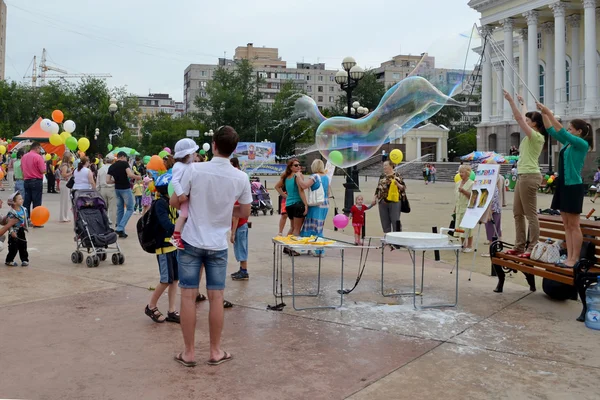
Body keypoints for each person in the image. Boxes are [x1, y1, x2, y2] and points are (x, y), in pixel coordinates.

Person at [175, 126, 251, 367]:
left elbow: (179, 201)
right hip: (218, 244)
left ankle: (188, 353)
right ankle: (215, 351)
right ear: (234, 149)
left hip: (192, 240)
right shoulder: (240, 177)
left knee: (188, 296)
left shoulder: (195, 169)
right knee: (216, 297)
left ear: (214, 145)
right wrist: (226, 209)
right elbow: (245, 211)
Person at [538, 102, 592, 268]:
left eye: (570, 128)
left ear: (578, 131)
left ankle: (574, 258)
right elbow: (551, 130)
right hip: (563, 185)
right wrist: (543, 114)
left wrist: (549, 112)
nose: (568, 131)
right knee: (566, 224)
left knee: (574, 225)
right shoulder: (569, 144)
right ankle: (569, 256)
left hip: (573, 186)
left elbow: (560, 130)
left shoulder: (582, 144)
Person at [503, 91, 545, 259]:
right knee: (517, 213)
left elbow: (520, 119)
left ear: (535, 124)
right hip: (523, 176)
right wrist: (523, 104)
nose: (525, 122)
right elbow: (523, 117)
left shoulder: (536, 137)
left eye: (529, 121)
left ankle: (532, 246)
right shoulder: (531, 135)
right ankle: (519, 246)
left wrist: (511, 101)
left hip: (530, 176)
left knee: (530, 214)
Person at [144, 173, 180, 324]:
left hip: (173, 246)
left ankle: (172, 310)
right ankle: (151, 306)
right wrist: (180, 230)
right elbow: (166, 224)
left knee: (175, 280)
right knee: (166, 280)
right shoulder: (160, 203)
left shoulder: (172, 202)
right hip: (164, 248)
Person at [169, 139, 198, 250]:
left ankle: (179, 235)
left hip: (187, 195)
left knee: (187, 215)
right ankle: (176, 235)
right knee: (184, 214)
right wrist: (180, 194)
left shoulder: (189, 165)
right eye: (193, 153)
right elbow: (175, 181)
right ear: (187, 155)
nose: (195, 155)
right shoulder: (179, 166)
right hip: (183, 196)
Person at [296, 159, 330, 256]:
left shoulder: (315, 176)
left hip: (316, 205)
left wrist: (298, 176)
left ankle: (313, 249)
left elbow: (304, 186)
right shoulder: (326, 177)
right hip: (325, 204)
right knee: (319, 226)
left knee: (311, 225)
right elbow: (328, 192)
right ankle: (317, 249)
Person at [107, 151, 142, 238]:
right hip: (125, 188)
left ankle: (121, 232)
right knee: (130, 208)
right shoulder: (125, 164)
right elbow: (130, 174)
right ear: (123, 157)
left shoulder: (112, 166)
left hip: (117, 189)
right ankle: (120, 227)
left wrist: (115, 181)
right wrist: (138, 177)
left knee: (120, 209)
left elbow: (107, 180)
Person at [274, 159, 307, 237]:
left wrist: (285, 196)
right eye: (296, 165)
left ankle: (286, 248)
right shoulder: (298, 176)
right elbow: (301, 191)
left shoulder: (286, 177)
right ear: (290, 167)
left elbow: (277, 187)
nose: (298, 166)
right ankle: (292, 247)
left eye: (299, 165)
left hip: (289, 205)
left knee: (292, 227)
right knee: (297, 229)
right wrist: (306, 204)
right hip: (298, 204)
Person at [230, 157, 250, 281]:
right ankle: (242, 269)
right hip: (242, 225)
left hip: (240, 226)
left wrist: (232, 233)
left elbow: (236, 216)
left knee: (241, 248)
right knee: (241, 247)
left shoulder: (236, 196)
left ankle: (244, 271)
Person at [372, 160, 405, 233]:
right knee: (384, 221)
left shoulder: (397, 175)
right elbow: (378, 188)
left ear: (391, 166)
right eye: (383, 165)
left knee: (395, 220)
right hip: (382, 201)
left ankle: (397, 238)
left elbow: (403, 187)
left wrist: (397, 184)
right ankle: (387, 238)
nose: (384, 167)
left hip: (394, 202)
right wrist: (374, 198)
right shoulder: (382, 176)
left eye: (386, 165)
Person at [21, 142, 46, 223]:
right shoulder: (38, 157)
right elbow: (43, 170)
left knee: (26, 201)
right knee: (37, 202)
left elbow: (22, 169)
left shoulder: (24, 156)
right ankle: (36, 221)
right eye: (39, 149)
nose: (40, 150)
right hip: (36, 181)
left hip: (26, 181)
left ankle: (26, 219)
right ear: (37, 148)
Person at [5, 192, 28, 267]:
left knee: (23, 245)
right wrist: (11, 232)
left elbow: (25, 219)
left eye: (22, 198)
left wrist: (27, 225)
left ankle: (24, 259)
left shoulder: (24, 209)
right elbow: (9, 224)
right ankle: (9, 260)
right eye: (20, 199)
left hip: (21, 230)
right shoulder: (11, 213)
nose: (22, 200)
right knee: (13, 247)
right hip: (14, 231)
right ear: (14, 202)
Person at [454, 164, 474, 252]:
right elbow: (457, 197)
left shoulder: (472, 183)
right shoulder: (458, 183)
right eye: (460, 172)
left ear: (467, 173)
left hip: (467, 208)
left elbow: (473, 196)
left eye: (462, 172)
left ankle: (469, 245)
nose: (461, 174)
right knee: (460, 227)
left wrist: (464, 191)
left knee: (468, 228)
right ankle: (463, 244)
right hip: (459, 207)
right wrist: (455, 207)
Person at [97, 155, 116, 228]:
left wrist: (97, 190)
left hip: (102, 189)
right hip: (112, 189)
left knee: (103, 207)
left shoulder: (101, 169)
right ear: (112, 161)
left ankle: (103, 222)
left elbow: (97, 181)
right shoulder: (114, 168)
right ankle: (111, 224)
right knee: (112, 208)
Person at [58, 153, 74, 222]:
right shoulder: (65, 165)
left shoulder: (66, 165)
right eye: (70, 157)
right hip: (64, 183)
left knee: (66, 200)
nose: (71, 158)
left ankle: (65, 215)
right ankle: (63, 216)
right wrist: (71, 173)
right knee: (64, 200)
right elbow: (64, 174)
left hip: (66, 183)